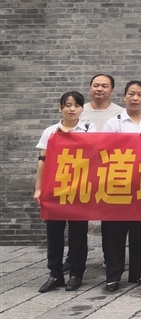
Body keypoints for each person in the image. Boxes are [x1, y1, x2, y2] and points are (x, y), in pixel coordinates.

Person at [100, 81, 141, 291]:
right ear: (124, 97)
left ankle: (139, 273)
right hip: (119, 185)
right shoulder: (114, 123)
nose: (135, 98)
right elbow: (104, 151)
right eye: (131, 94)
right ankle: (113, 276)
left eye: (139, 94)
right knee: (115, 233)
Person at [34, 91, 91, 292]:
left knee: (78, 233)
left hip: (80, 189)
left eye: (76, 105)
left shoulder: (89, 130)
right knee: (54, 233)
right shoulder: (50, 131)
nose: (72, 109)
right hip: (55, 188)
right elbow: (43, 161)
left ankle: (76, 273)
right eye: (68, 105)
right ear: (60, 108)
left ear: (82, 109)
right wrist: (39, 188)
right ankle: (55, 274)